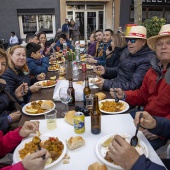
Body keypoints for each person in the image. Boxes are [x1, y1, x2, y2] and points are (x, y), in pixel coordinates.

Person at [110, 24, 170, 150]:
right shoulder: (153, 70)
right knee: (112, 128)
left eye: (169, 43)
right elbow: (142, 95)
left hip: (160, 130)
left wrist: (158, 127)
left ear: (143, 43)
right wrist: (125, 95)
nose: (164, 47)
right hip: (143, 117)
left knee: (129, 152)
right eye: (159, 44)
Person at [93, 26, 155, 91]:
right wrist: (105, 70)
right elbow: (120, 70)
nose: (128, 43)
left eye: (133, 40)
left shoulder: (147, 59)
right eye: (127, 40)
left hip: (124, 95)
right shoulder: (128, 52)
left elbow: (134, 86)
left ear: (143, 42)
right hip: (115, 86)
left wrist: (107, 84)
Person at [0, 48, 28, 133]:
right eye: (18, 54)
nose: (0, 68)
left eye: (3, 64)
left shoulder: (2, 82)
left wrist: (17, 96)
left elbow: (7, 106)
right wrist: (8, 119)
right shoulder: (8, 75)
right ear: (11, 57)